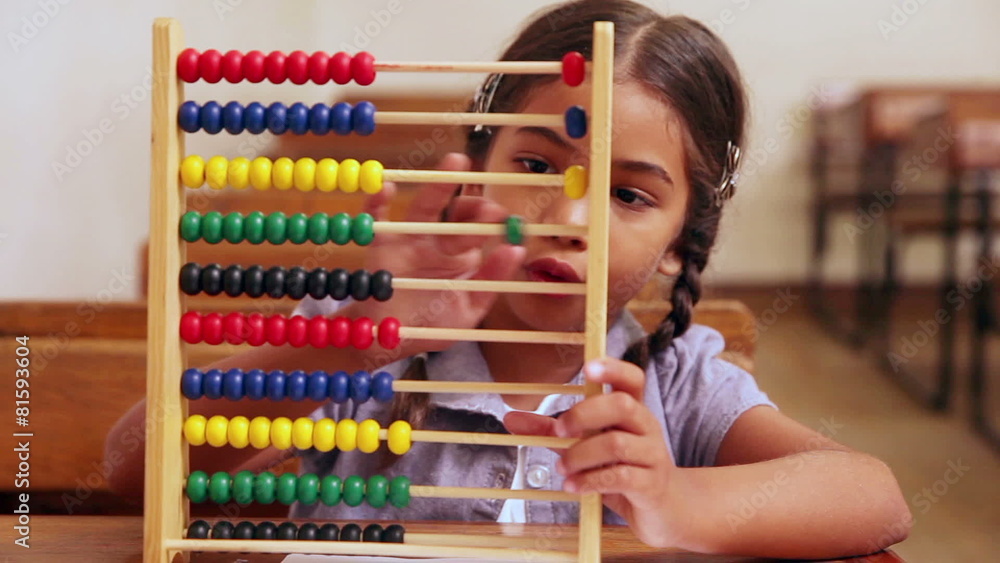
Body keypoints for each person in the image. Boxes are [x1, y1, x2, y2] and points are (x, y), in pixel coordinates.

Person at [106, 0, 910, 557]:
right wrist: (351, 343)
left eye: (630, 194)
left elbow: (876, 498)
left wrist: (675, 500)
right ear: (474, 171)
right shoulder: (361, 336)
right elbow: (131, 465)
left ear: (680, 242)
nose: (573, 216)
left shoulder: (673, 381)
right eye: (536, 164)